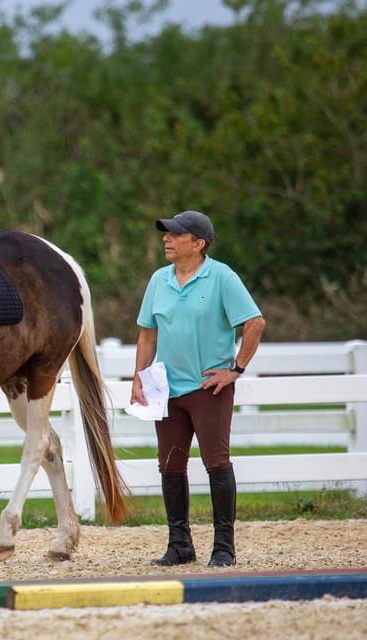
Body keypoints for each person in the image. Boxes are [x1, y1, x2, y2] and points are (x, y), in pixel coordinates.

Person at [131, 210, 266, 567]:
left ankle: (224, 547)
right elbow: (147, 334)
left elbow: (255, 322)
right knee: (170, 466)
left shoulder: (221, 277)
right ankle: (180, 545)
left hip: (209, 390)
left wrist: (235, 370)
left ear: (198, 243)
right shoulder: (159, 280)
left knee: (216, 463)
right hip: (167, 390)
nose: (166, 239)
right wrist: (138, 378)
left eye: (175, 234)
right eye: (166, 234)